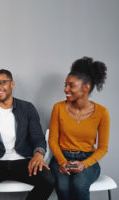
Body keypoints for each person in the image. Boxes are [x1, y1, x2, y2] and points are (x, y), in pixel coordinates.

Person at [0, 69, 55, 200]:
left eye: (2, 82)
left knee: (48, 179)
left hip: (24, 162)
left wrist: (38, 154)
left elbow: (37, 137)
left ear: (12, 84)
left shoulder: (27, 108)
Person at [49, 57, 110, 200]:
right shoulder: (58, 108)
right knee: (62, 186)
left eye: (71, 85)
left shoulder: (102, 113)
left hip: (87, 159)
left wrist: (84, 164)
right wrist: (62, 162)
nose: (65, 89)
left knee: (79, 184)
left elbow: (103, 148)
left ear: (86, 87)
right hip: (61, 157)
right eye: (65, 85)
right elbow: (52, 140)